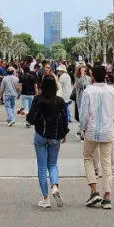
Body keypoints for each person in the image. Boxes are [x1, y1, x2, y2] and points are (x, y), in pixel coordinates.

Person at [78, 64, 114, 209]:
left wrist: (82, 128)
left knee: (88, 158)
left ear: (93, 76)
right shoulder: (113, 91)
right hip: (107, 131)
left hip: (91, 130)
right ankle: (107, 197)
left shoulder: (88, 91)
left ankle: (94, 191)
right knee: (107, 163)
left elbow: (83, 113)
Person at [26, 74, 68, 208]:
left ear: (42, 86)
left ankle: (45, 198)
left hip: (40, 135)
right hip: (55, 136)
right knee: (53, 165)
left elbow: (31, 118)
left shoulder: (38, 99)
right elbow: (64, 118)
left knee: (42, 167)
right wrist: (64, 133)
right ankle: (54, 185)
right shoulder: (60, 101)